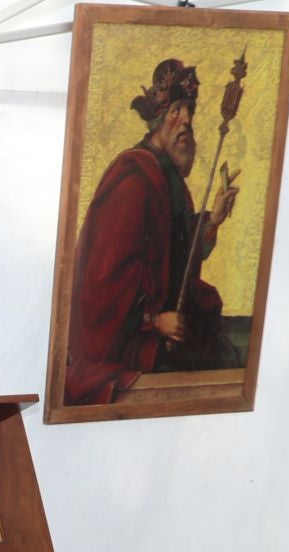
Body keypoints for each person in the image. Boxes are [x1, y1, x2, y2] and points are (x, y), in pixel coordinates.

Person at [64, 59, 243, 406]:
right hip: (125, 338)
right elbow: (104, 282)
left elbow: (177, 253)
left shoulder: (167, 175)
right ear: (159, 116)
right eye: (177, 109)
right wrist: (153, 321)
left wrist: (212, 220)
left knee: (229, 350)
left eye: (189, 110)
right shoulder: (133, 178)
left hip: (167, 324)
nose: (187, 121)